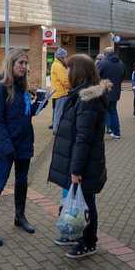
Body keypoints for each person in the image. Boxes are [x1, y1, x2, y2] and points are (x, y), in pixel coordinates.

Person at [48, 54, 109, 259]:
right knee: (82, 200)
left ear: (78, 72)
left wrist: (76, 170)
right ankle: (76, 234)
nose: (65, 73)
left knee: (87, 202)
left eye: (68, 69)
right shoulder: (78, 96)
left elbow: (83, 139)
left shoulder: (88, 100)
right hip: (83, 161)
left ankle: (89, 241)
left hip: (86, 163)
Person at [0, 49, 44, 246]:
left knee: (22, 181)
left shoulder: (23, 87)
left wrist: (39, 104)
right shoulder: (1, 88)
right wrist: (7, 145)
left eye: (26, 64)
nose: (25, 67)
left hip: (25, 143)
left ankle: (19, 217)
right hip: (8, 145)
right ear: (11, 64)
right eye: (21, 63)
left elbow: (26, 114)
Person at [96, 47, 125, 139]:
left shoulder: (102, 63)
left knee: (104, 111)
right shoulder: (121, 63)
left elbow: (96, 76)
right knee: (113, 111)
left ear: (105, 54)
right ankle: (116, 132)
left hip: (104, 91)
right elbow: (122, 76)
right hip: (116, 91)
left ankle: (106, 130)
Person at [50, 47, 70, 131]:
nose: (66, 58)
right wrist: (71, 86)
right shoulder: (58, 66)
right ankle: (57, 130)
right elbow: (64, 81)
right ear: (61, 57)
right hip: (61, 93)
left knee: (57, 112)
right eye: (65, 57)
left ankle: (56, 128)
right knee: (59, 113)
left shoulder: (56, 64)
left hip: (57, 92)